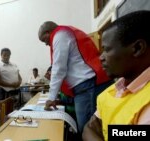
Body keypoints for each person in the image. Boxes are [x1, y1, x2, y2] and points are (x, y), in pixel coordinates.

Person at [82, 10, 150, 141]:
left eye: (106, 49)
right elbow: (88, 128)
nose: (101, 58)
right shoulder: (114, 90)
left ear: (137, 48)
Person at [38, 21, 114, 134]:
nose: (46, 44)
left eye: (44, 40)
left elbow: (58, 68)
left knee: (87, 130)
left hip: (87, 85)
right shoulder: (65, 33)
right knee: (89, 128)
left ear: (49, 32)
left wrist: (51, 98)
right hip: (85, 86)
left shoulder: (60, 35)